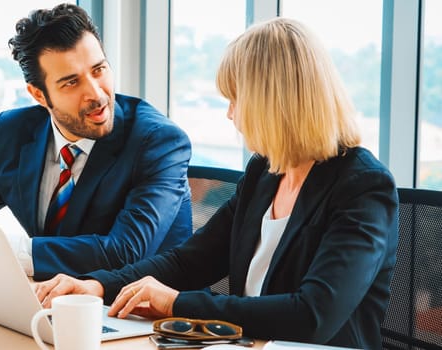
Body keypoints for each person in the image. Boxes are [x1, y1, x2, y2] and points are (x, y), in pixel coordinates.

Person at [34, 17, 399, 349]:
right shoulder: (265, 173)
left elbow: (312, 316)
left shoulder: (363, 187)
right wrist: (98, 286)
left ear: (272, 103)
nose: (230, 114)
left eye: (235, 99)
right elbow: (190, 261)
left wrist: (177, 303)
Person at [0, 3, 193, 281]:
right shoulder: (11, 132)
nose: (96, 94)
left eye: (99, 70)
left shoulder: (159, 142)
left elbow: (124, 252)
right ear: (39, 95)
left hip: (145, 317)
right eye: (71, 82)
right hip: (53, 304)